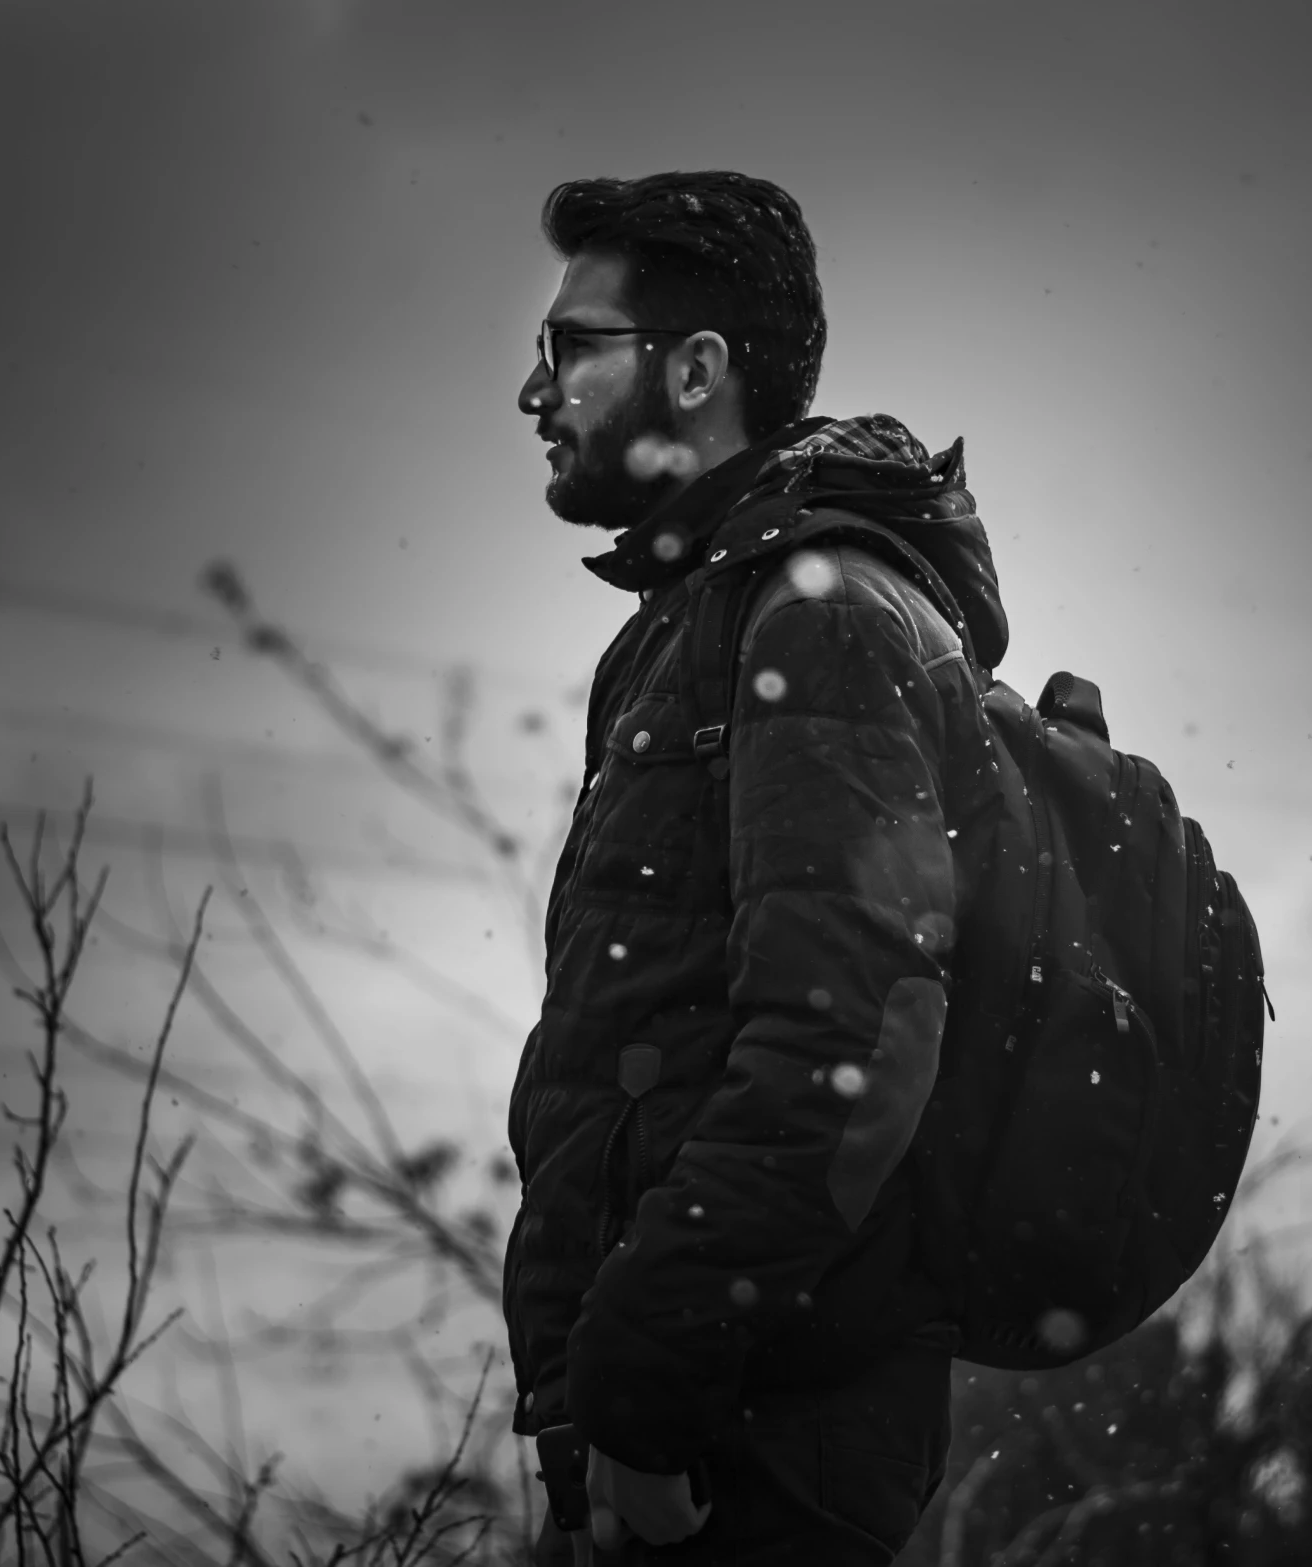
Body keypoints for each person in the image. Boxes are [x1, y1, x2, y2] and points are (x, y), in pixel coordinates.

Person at [505, 170, 1012, 1564]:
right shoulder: (695, 622)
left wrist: (650, 1396)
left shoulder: (820, 613)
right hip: (683, 1431)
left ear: (696, 369)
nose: (533, 393)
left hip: (750, 1445)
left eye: (569, 349)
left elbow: (849, 1034)